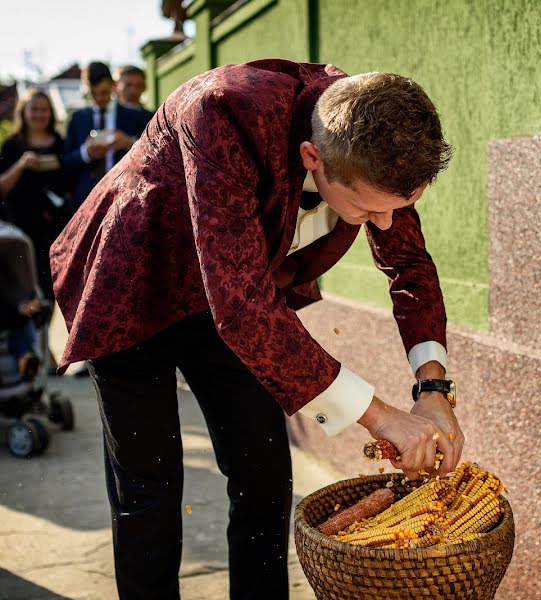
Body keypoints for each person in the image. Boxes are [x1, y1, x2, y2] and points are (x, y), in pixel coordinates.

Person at [50, 59, 463, 599]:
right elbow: (243, 308)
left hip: (232, 298)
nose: (384, 224)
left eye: (399, 208)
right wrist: (380, 417)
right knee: (149, 486)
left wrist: (432, 391)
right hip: (133, 283)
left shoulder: (371, 133)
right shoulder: (223, 108)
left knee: (264, 472)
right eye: (367, 210)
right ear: (312, 158)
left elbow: (408, 265)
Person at [0, 88, 70, 305]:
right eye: (34, 109)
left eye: (44, 110)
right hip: (22, 228)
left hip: (55, 229)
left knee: (52, 289)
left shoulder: (60, 142)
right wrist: (21, 164)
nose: (40, 114)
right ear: (23, 112)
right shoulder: (12, 145)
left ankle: (45, 335)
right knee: (23, 289)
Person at [62, 62, 152, 208]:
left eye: (104, 92)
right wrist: (86, 153)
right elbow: (65, 162)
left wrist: (129, 143)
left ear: (112, 85)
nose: (99, 98)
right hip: (86, 200)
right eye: (93, 93)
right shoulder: (77, 118)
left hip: (124, 198)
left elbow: (153, 154)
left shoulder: (135, 116)